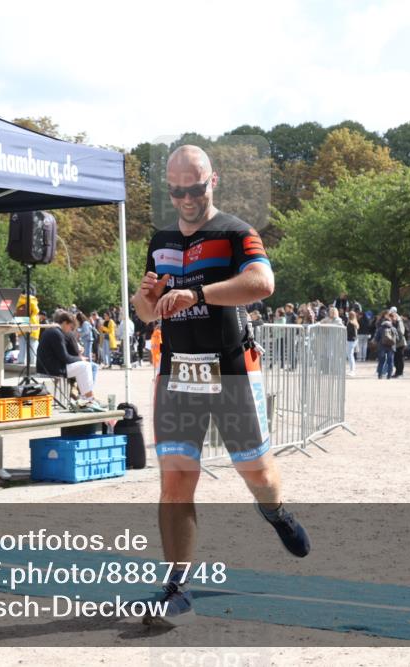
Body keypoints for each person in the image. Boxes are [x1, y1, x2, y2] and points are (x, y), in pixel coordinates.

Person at [131, 145, 309, 627]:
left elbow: (262, 282)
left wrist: (199, 294)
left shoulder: (235, 232)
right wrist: (145, 300)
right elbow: (147, 313)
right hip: (177, 370)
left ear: (213, 181)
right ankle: (176, 588)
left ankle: (275, 512)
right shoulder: (160, 238)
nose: (186, 198)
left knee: (257, 473)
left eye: (194, 187)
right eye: (176, 190)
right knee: (175, 479)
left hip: (229, 367)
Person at [36, 311, 99, 404]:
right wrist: (80, 358)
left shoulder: (53, 331)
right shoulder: (56, 334)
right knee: (84, 366)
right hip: (50, 368)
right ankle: (88, 398)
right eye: (71, 327)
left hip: (48, 366)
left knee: (84, 366)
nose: (71, 330)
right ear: (65, 323)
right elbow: (65, 357)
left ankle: (86, 396)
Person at [373, 311, 396, 379]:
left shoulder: (380, 328)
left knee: (381, 361)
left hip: (382, 346)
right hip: (391, 347)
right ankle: (389, 375)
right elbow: (397, 338)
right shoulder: (393, 328)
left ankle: (380, 375)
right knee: (390, 362)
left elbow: (376, 338)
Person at [345, 311, 358, 375]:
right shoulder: (354, 322)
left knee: (350, 355)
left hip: (351, 340)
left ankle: (352, 370)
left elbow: (352, 333)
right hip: (352, 340)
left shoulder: (351, 323)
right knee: (350, 355)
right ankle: (352, 369)